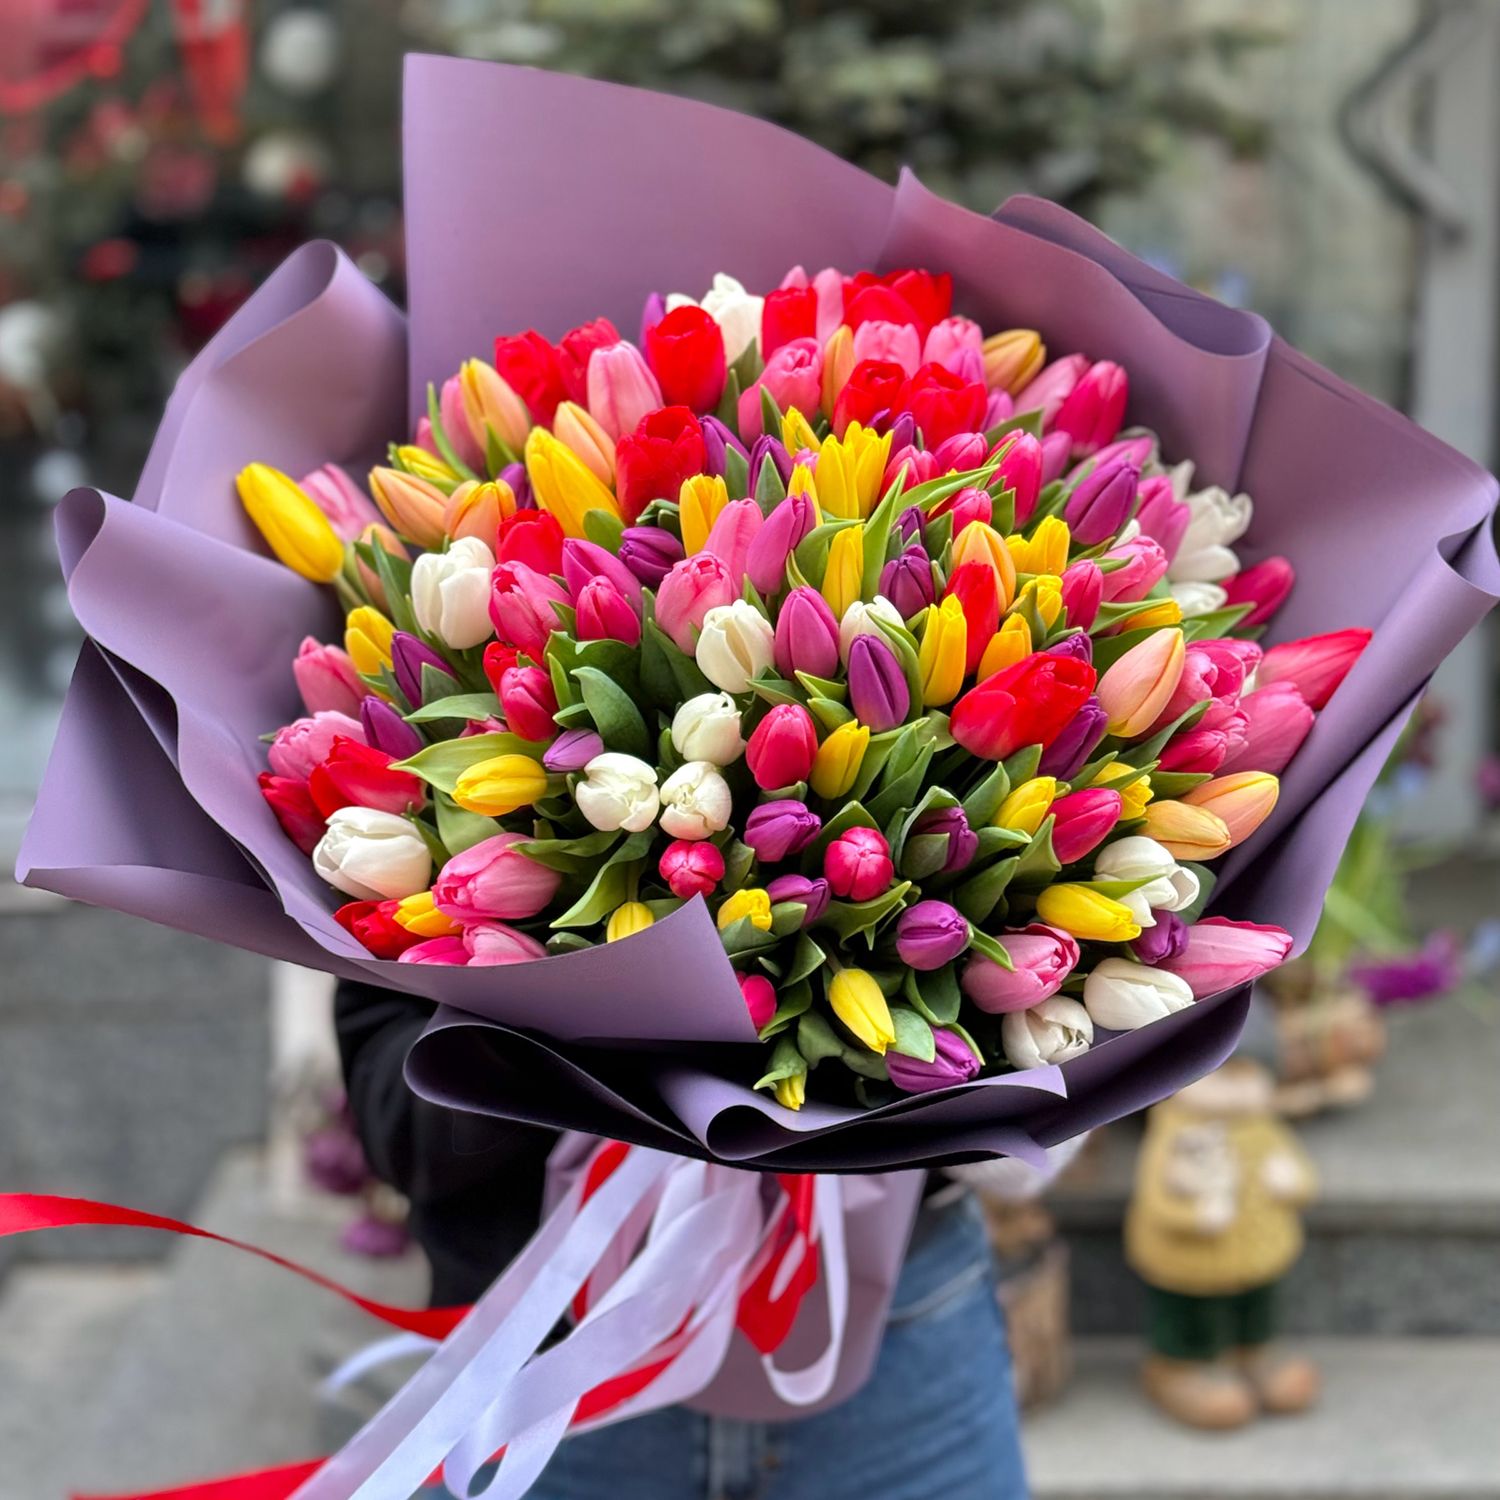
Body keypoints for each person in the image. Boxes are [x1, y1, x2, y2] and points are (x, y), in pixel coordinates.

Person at [337, 978, 1032, 1500]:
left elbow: (1035, 1114)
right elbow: (397, 1116)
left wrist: (991, 1080)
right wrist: (568, 996)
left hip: (901, 1351)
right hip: (545, 1367)